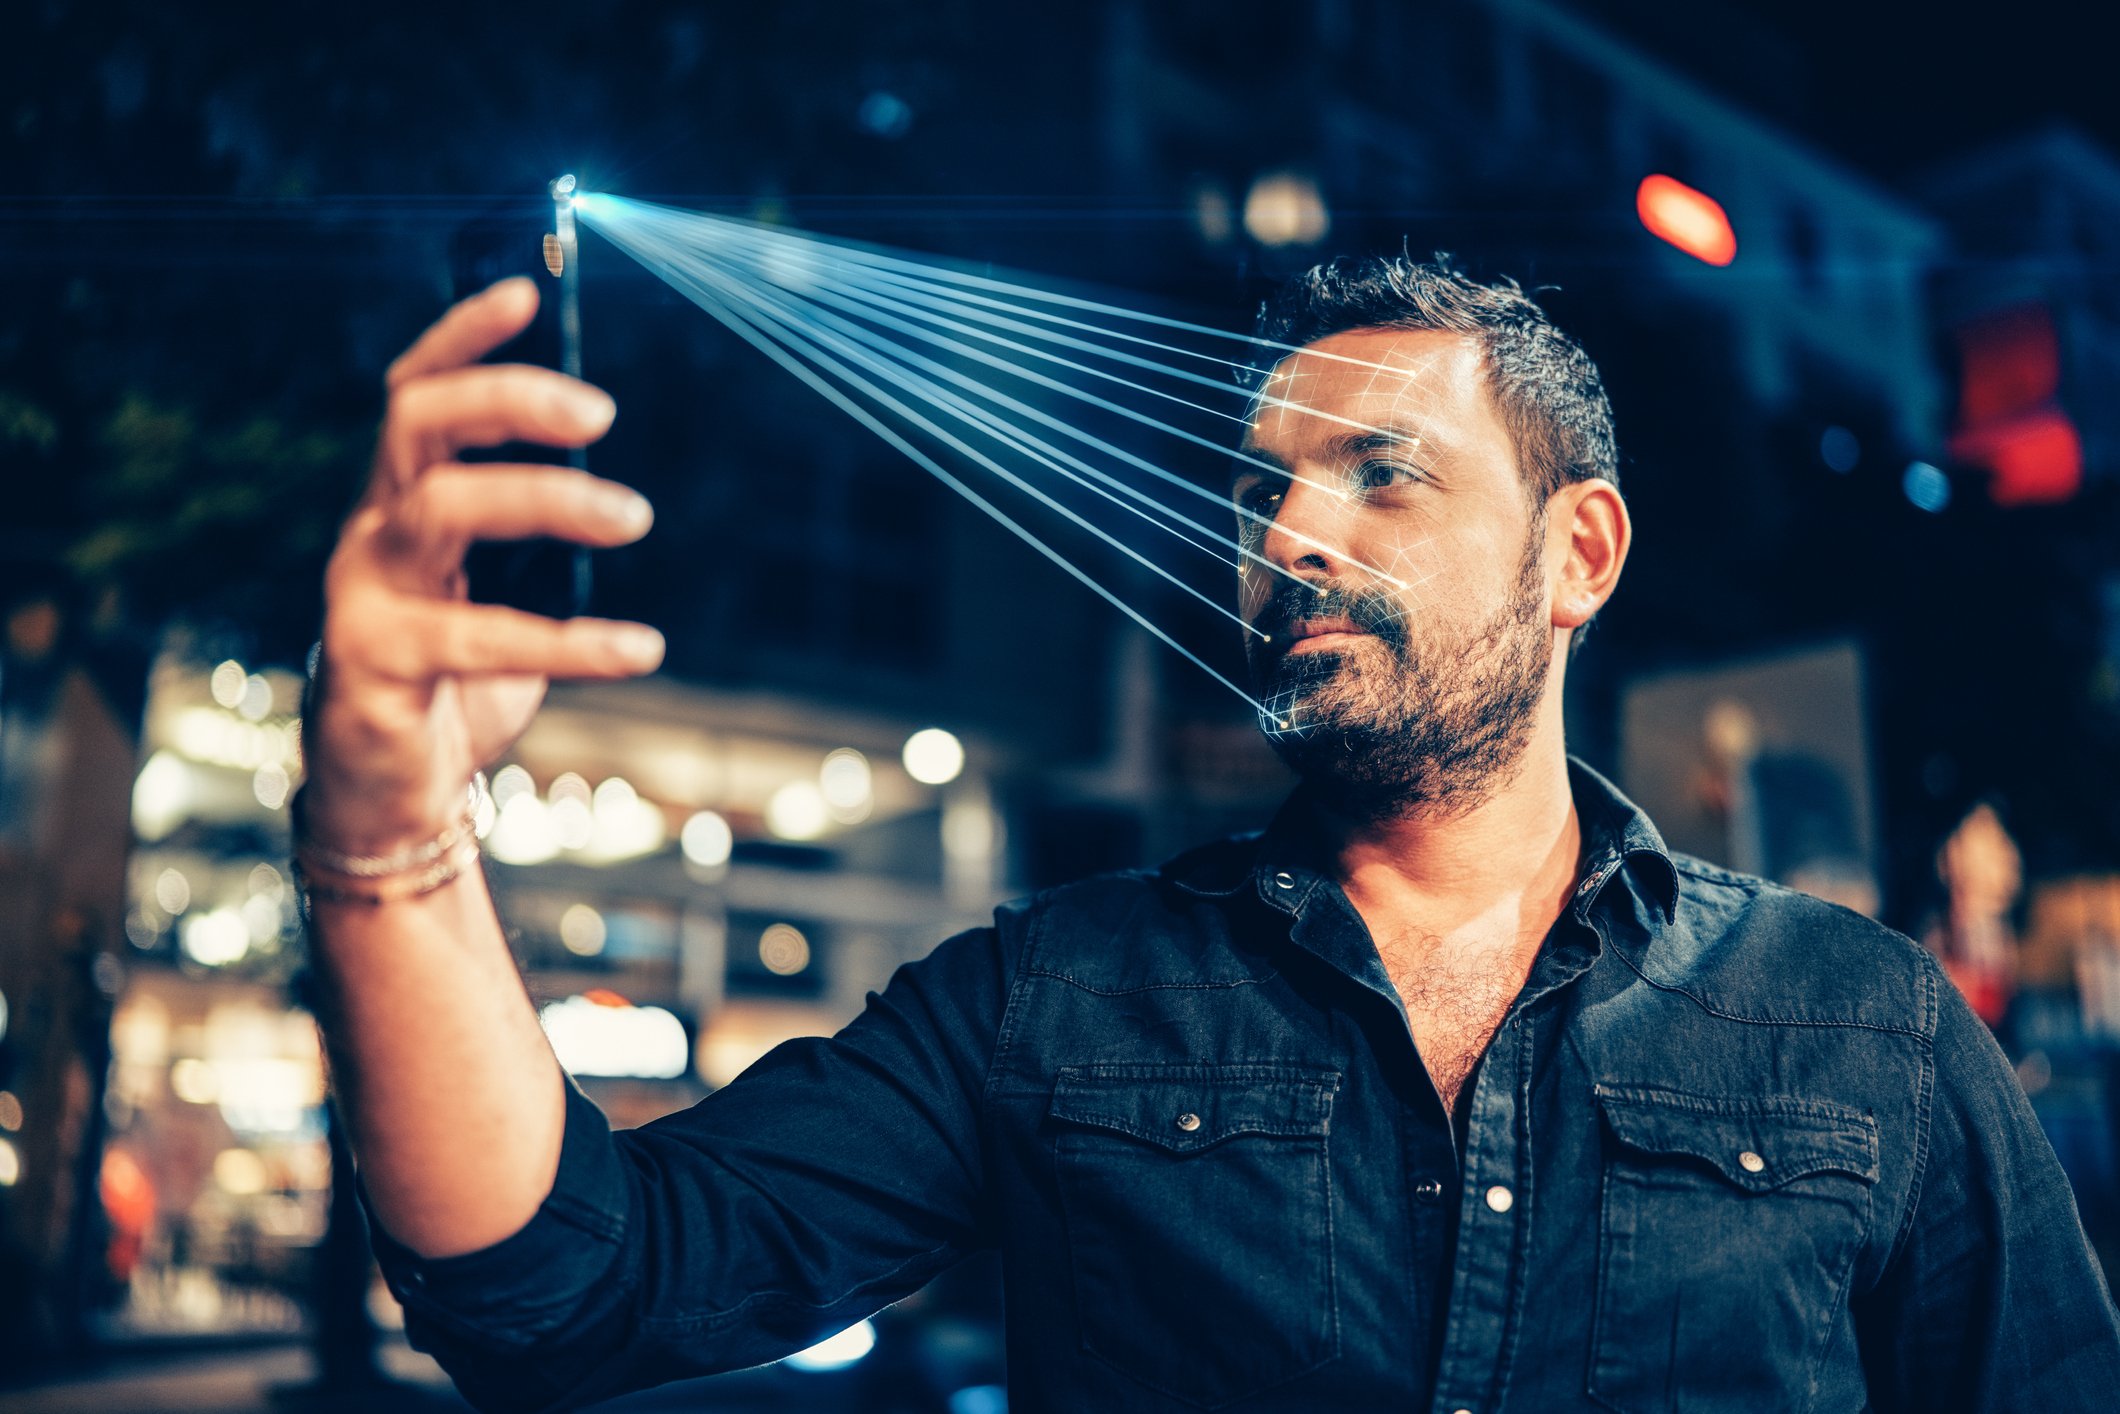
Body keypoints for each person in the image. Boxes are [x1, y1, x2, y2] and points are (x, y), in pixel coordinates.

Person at [299, 255, 2120, 1412]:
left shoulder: (1858, 1022)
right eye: (1266, 486)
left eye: (1380, 473)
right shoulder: (1056, 999)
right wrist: (388, 838)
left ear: (1580, 554)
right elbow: (562, 1291)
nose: (1292, 537)